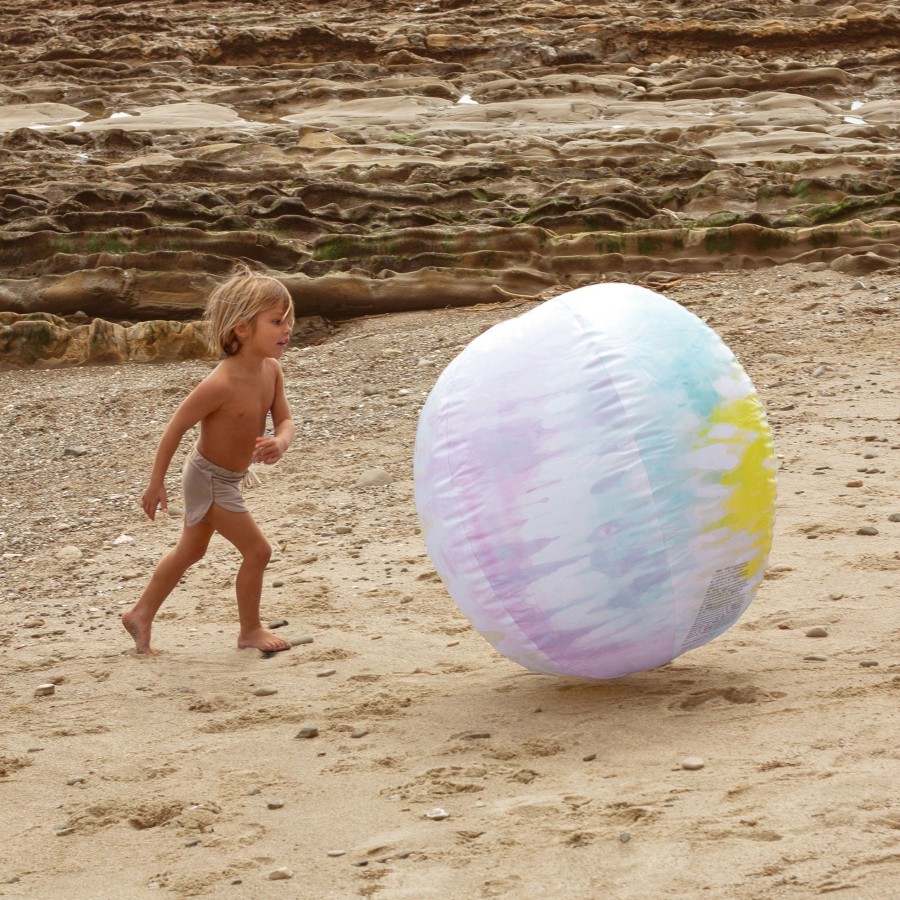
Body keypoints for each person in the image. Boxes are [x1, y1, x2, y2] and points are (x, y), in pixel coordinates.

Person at [122, 267, 296, 655]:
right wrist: (155, 483)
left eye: (289, 320)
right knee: (258, 551)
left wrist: (280, 442)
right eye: (277, 321)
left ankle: (140, 613)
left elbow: (284, 419)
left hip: (225, 478)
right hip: (209, 478)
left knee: (190, 551)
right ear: (241, 329)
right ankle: (250, 631)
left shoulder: (272, 370)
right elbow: (175, 428)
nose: (287, 329)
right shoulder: (221, 383)